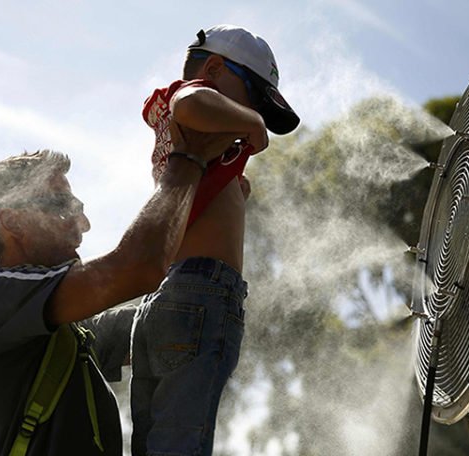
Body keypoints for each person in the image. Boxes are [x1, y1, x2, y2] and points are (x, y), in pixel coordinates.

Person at [0, 125, 239, 456]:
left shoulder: (66, 336)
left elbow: (177, 322)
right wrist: (189, 159)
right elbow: (137, 268)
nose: (84, 224)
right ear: (13, 222)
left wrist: (213, 216)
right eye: (64, 206)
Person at [130, 24, 300, 456]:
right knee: (182, 438)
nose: (252, 114)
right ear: (216, 68)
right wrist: (253, 123)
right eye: (253, 98)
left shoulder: (200, 142)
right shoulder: (192, 97)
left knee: (155, 436)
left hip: (168, 293)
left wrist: (234, 188)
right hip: (204, 292)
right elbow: (193, 100)